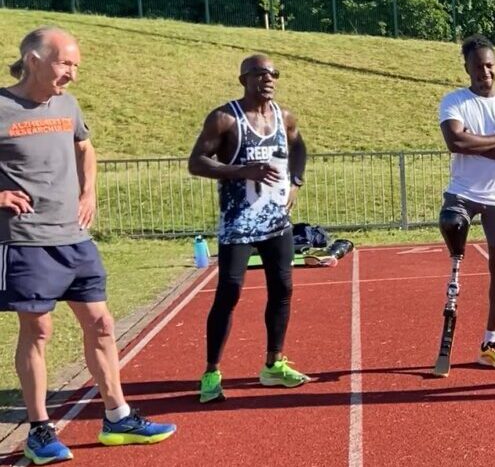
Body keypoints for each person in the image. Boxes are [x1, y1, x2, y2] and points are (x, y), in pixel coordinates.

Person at [1, 26, 176, 464]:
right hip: (27, 240)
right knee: (38, 329)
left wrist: (88, 192)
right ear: (34, 59)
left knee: (101, 324)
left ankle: (117, 416)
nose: (73, 75)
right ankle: (39, 430)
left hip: (75, 238)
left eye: (76, 66)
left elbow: (85, 147)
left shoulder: (68, 104)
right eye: (66, 64)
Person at [187, 54, 310, 403]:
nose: (268, 79)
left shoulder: (284, 116)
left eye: (273, 74)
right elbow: (196, 162)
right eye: (259, 73)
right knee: (229, 293)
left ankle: (274, 363)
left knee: (283, 288)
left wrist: (296, 183)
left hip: (275, 220)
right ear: (243, 79)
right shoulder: (225, 118)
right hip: (238, 222)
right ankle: (211, 372)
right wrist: (242, 171)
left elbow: (299, 145)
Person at [436, 35, 495, 369]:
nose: (485, 72)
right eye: (478, 67)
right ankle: (453, 283)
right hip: (463, 192)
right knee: (450, 222)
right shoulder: (455, 101)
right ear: (467, 68)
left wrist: (476, 143)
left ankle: (491, 341)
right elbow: (455, 141)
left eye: (490, 65)